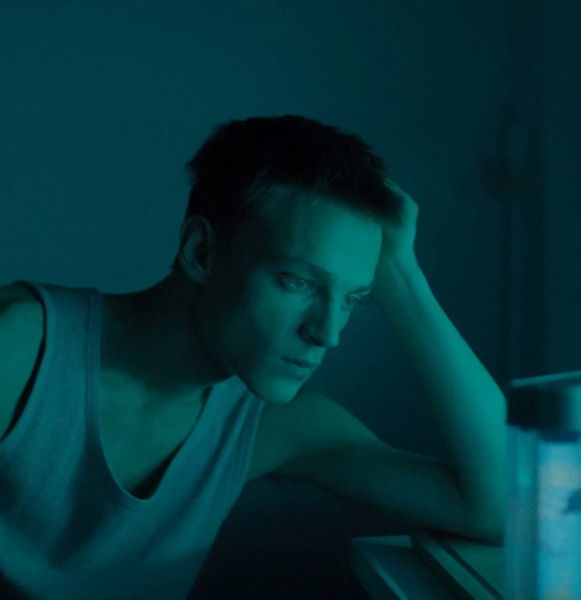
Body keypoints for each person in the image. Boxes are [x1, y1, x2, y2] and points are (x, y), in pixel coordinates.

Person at [0, 115, 507, 599]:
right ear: (202, 252)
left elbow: (503, 510)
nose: (327, 333)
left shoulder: (274, 425)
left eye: (354, 298)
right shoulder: (20, 348)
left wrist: (401, 277)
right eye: (298, 282)